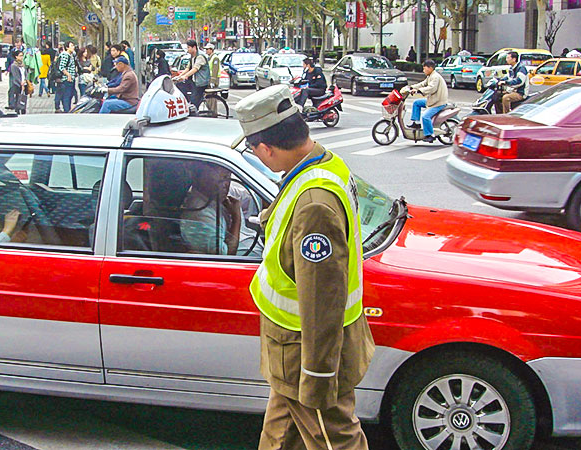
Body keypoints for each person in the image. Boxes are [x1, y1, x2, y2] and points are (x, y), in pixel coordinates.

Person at [234, 85, 375, 450]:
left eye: (254, 151)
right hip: (289, 351)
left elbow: (322, 299)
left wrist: (318, 376)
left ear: (266, 148)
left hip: (306, 355)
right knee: (280, 434)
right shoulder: (321, 163)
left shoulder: (314, 203)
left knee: (334, 440)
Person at [180, 161, 243, 255]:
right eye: (222, 178)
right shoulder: (200, 214)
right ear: (203, 179)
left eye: (228, 178)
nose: (226, 184)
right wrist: (236, 218)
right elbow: (227, 257)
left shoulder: (214, 199)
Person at [403, 59, 449, 143]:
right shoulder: (430, 76)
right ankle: (416, 123)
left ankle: (430, 135)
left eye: (424, 68)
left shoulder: (435, 77)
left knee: (425, 116)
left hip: (438, 102)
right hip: (432, 100)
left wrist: (419, 91)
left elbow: (431, 88)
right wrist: (411, 87)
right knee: (417, 103)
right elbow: (422, 84)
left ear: (430, 68)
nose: (423, 70)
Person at [173, 40, 209, 110]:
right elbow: (188, 68)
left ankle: (194, 111)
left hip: (200, 83)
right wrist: (179, 76)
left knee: (194, 101)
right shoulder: (192, 57)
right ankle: (186, 103)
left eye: (188, 47)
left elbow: (195, 69)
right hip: (194, 81)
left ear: (194, 47)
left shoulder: (200, 56)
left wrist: (185, 76)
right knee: (179, 85)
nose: (187, 49)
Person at [56, 41, 77, 113]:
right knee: (66, 96)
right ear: (67, 47)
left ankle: (68, 109)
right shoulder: (65, 55)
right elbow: (61, 67)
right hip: (66, 79)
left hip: (71, 79)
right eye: (71, 46)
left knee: (70, 95)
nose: (73, 47)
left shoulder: (71, 55)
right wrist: (68, 74)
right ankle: (66, 110)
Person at [8, 50, 28, 115]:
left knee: (24, 97)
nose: (21, 57)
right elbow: (15, 76)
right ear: (16, 57)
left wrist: (25, 80)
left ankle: (23, 108)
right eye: (20, 56)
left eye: (22, 56)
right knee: (18, 97)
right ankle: (18, 109)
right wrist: (20, 83)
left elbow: (25, 73)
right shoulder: (14, 65)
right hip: (17, 84)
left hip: (24, 83)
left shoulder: (23, 64)